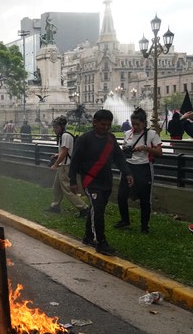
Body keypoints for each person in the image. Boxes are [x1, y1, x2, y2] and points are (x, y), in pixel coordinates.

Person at [69, 109, 133, 256]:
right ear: (95, 123)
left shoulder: (111, 139)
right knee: (97, 209)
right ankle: (101, 242)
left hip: (106, 181)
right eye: (103, 124)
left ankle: (88, 236)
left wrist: (127, 172)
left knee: (96, 209)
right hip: (90, 180)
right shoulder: (85, 139)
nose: (105, 127)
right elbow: (75, 161)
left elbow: (119, 157)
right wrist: (73, 181)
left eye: (108, 125)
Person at [114, 108, 163, 235]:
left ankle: (144, 226)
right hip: (129, 167)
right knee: (121, 196)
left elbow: (159, 153)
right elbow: (123, 151)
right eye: (133, 124)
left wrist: (146, 148)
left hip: (144, 167)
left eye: (138, 124)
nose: (135, 127)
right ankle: (125, 220)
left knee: (145, 199)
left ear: (144, 123)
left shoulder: (151, 134)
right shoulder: (127, 134)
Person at [47, 116, 88, 218]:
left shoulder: (65, 136)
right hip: (63, 165)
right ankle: (55, 206)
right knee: (57, 187)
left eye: (56, 127)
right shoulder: (64, 135)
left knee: (67, 190)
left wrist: (55, 164)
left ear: (62, 126)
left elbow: (65, 152)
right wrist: (57, 155)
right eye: (53, 127)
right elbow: (64, 151)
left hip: (65, 166)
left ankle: (84, 208)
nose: (54, 129)